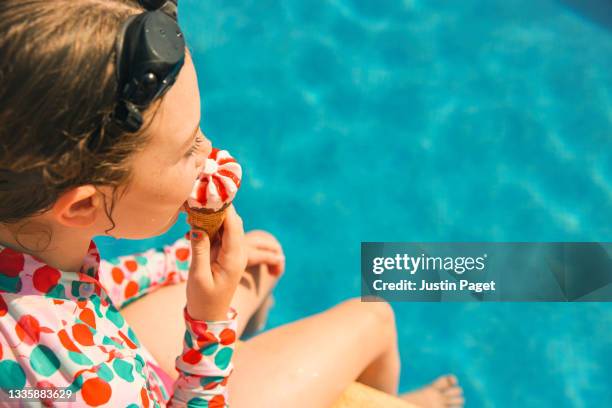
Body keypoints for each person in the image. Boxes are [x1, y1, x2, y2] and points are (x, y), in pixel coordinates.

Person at [0, 1, 464, 406]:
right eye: (187, 149)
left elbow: (73, 289)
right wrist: (209, 323)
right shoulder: (88, 390)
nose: (212, 154)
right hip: (157, 390)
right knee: (373, 318)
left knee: (255, 262)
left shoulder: (27, 241)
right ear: (81, 208)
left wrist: (171, 261)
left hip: (109, 347)